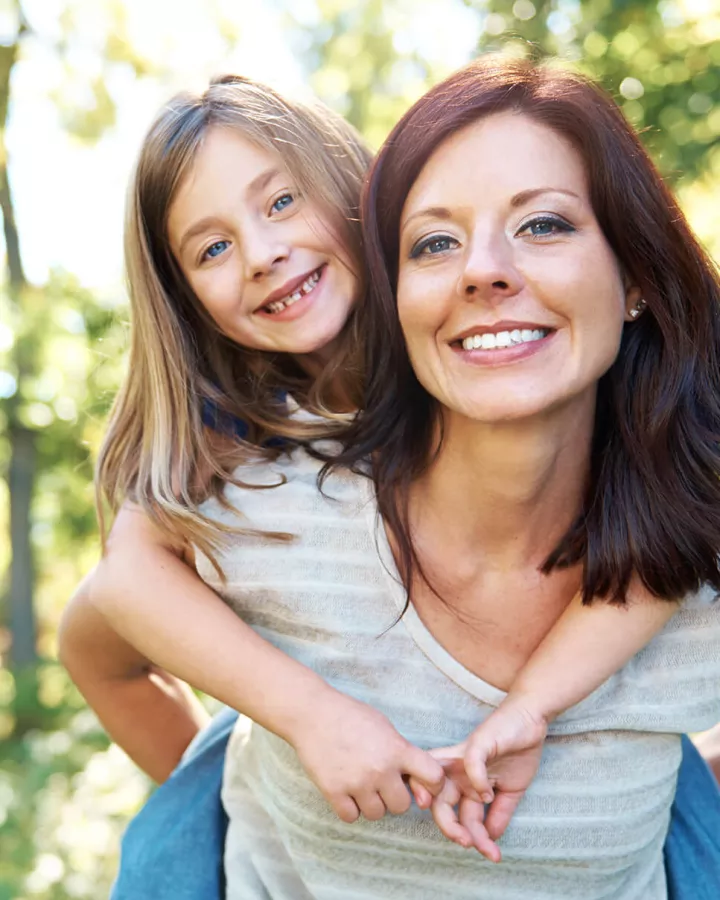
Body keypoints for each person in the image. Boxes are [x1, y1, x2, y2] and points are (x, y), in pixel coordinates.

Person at [57, 68, 720, 898]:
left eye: (281, 202)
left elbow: (676, 515)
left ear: (359, 200)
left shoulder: (579, 385)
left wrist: (544, 709)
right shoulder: (247, 438)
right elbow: (125, 582)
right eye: (214, 248)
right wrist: (291, 735)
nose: (263, 255)